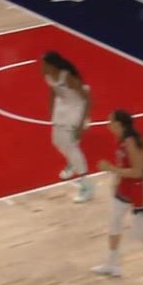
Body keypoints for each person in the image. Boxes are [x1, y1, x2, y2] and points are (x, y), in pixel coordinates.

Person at [94, 110, 143, 277]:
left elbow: (138, 171)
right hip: (127, 183)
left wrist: (111, 169)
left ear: (119, 125)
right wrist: (117, 179)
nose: (108, 125)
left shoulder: (131, 142)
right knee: (114, 220)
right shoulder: (121, 139)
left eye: (110, 122)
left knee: (140, 229)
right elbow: (124, 164)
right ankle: (112, 264)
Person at [42, 52, 92, 203]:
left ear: (52, 65)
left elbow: (87, 99)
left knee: (71, 146)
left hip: (77, 108)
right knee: (56, 141)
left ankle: (86, 185)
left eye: (44, 64)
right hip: (63, 107)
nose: (41, 67)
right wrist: (51, 112)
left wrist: (82, 123)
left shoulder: (68, 78)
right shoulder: (49, 77)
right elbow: (53, 92)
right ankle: (71, 163)